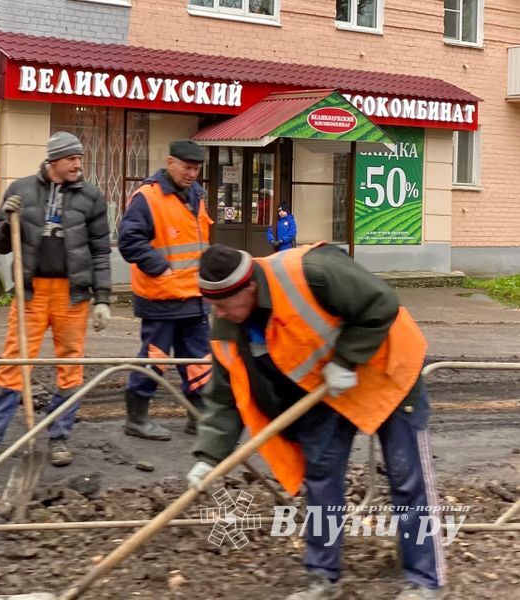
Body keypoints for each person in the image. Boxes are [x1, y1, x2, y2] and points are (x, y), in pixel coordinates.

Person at [188, 243, 445, 600]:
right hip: (326, 389)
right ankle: (322, 577)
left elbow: (381, 301)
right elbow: (224, 394)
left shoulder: (312, 271)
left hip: (387, 370)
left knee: (407, 477)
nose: (218, 313)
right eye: (212, 305)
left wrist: (346, 358)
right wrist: (208, 456)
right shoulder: (228, 324)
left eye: (223, 304)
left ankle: (424, 580)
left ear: (248, 287)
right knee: (322, 480)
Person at [0, 131, 112, 467]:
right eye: (71, 158)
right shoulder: (21, 191)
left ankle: (60, 437)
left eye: (80, 158)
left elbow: (100, 251)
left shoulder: (91, 197)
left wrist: (104, 298)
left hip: (72, 294)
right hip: (32, 292)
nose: (78, 164)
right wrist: (6, 221)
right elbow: (4, 245)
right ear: (53, 160)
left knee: (70, 365)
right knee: (15, 363)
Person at [117, 140, 213, 441]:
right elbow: (130, 241)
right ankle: (137, 417)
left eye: (196, 169)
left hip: (194, 295)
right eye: (187, 167)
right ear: (170, 162)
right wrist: (159, 267)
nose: (192, 174)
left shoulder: (196, 195)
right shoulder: (147, 197)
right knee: (155, 357)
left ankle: (200, 416)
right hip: (162, 296)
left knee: (198, 359)